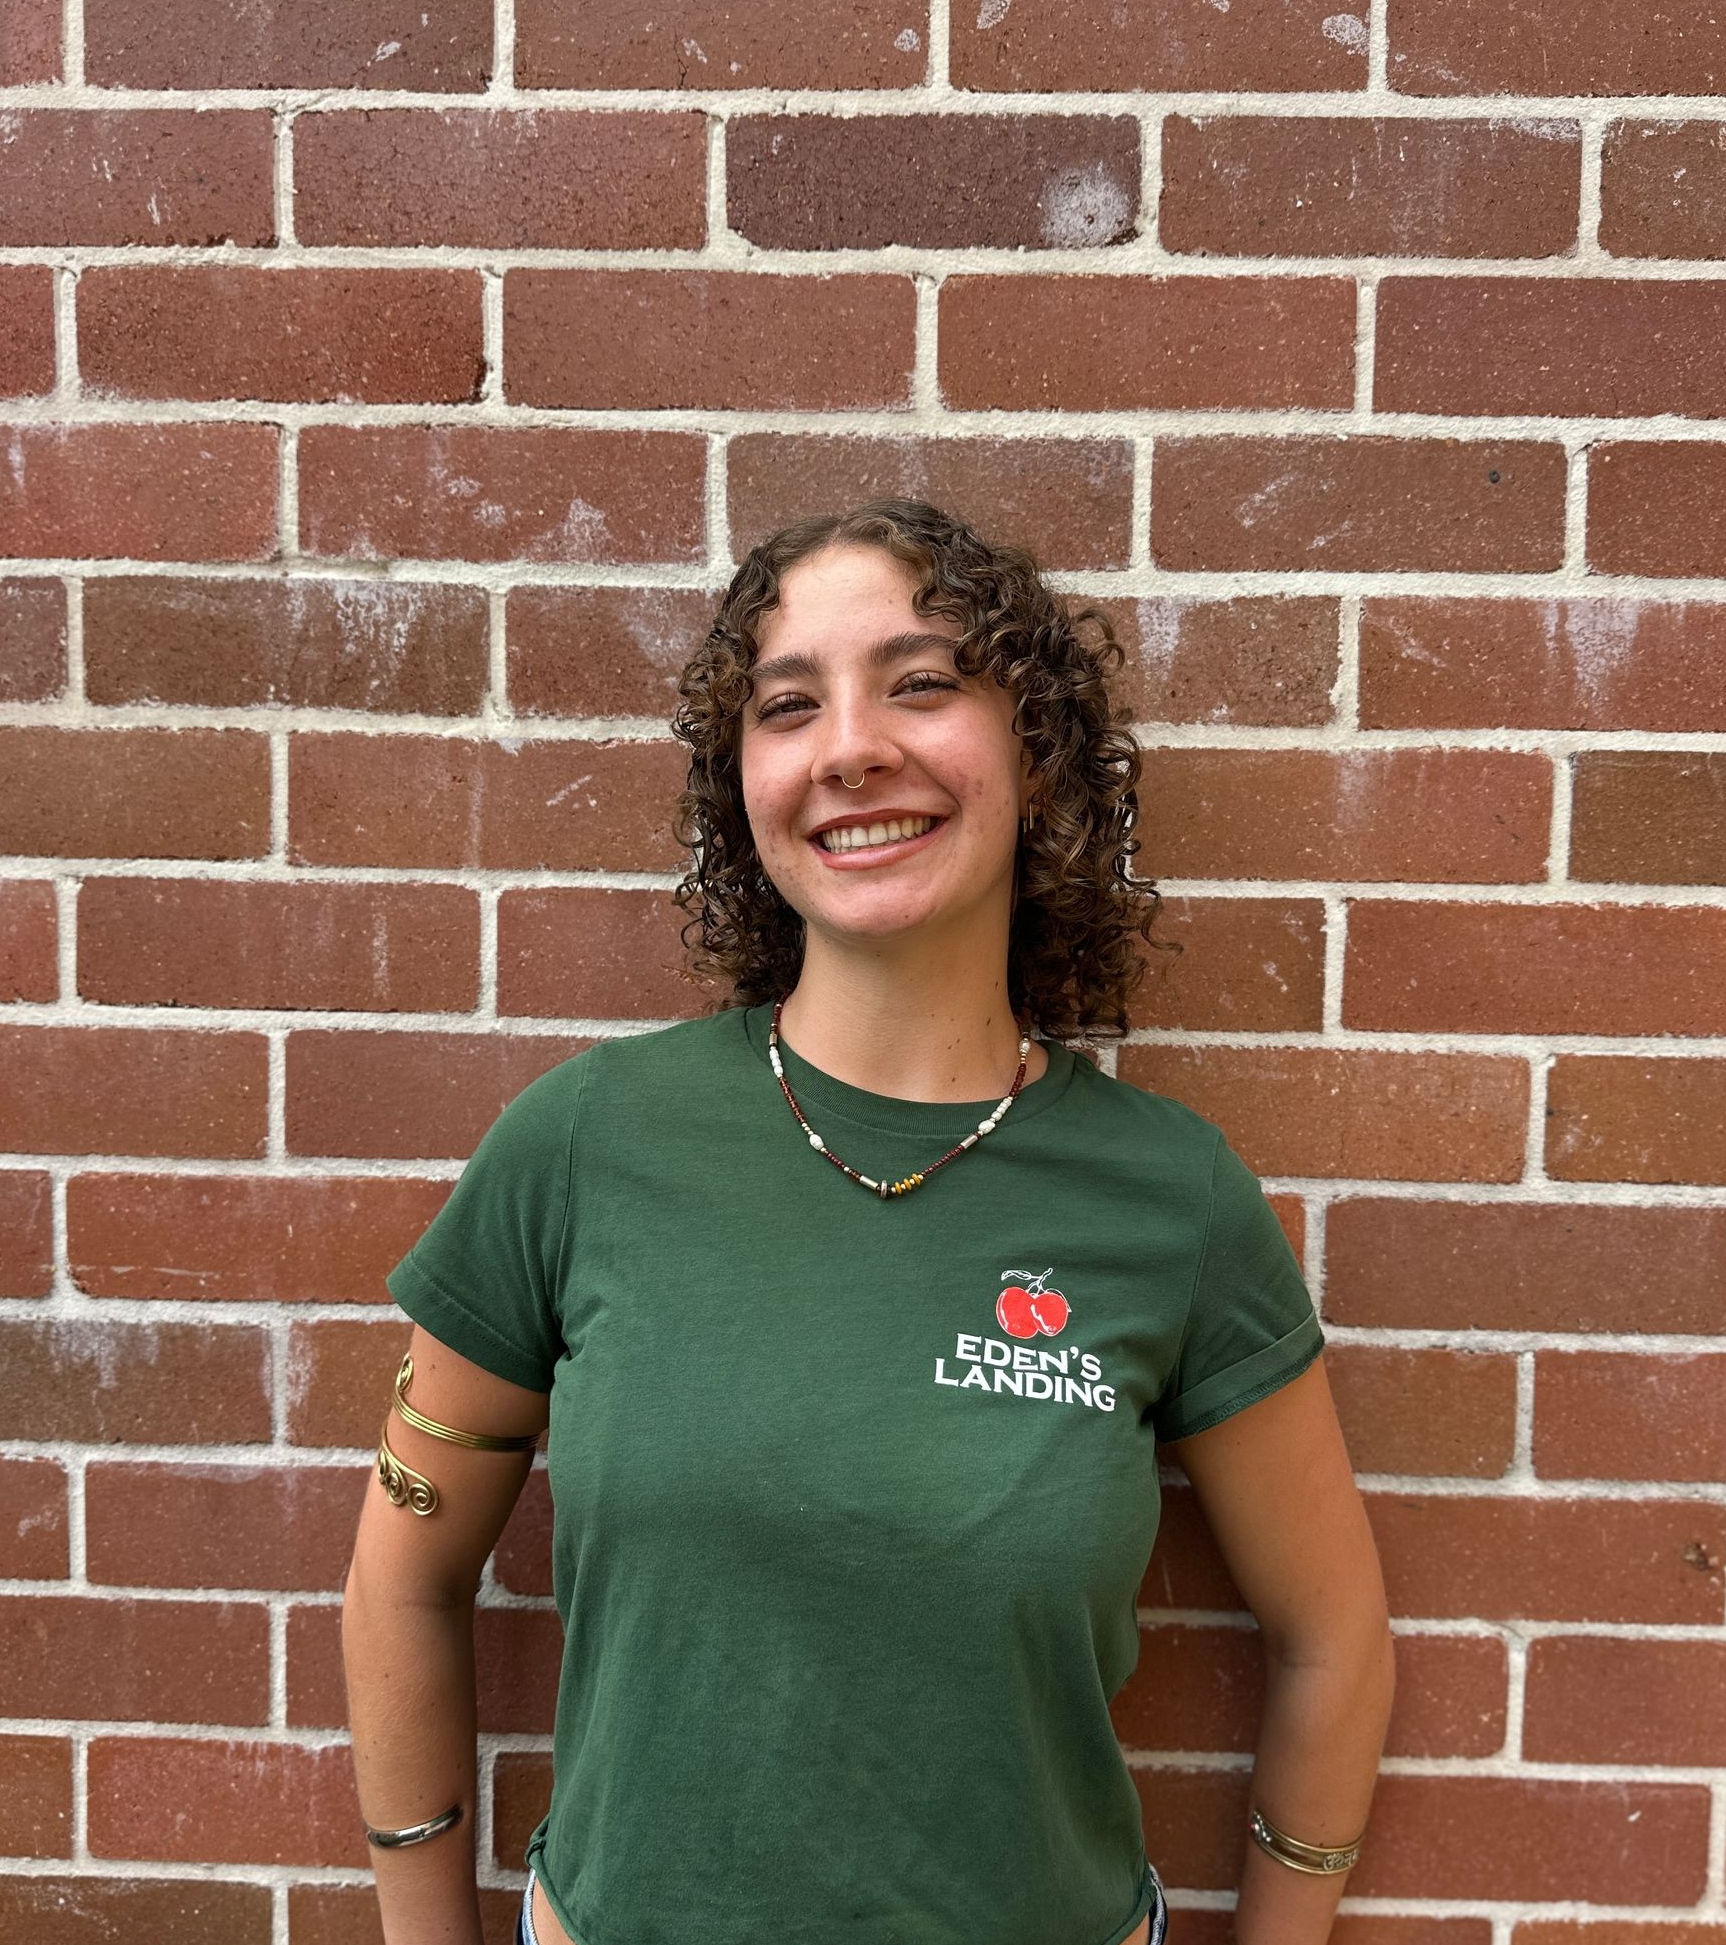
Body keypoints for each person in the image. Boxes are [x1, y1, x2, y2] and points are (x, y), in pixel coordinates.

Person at [341, 498, 1396, 1945]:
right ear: (743, 785)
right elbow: (401, 1581)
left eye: (919, 682)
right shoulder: (583, 1146)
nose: (850, 747)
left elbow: (1332, 1638)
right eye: (788, 705)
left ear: (1035, 752)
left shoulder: (1170, 1198)